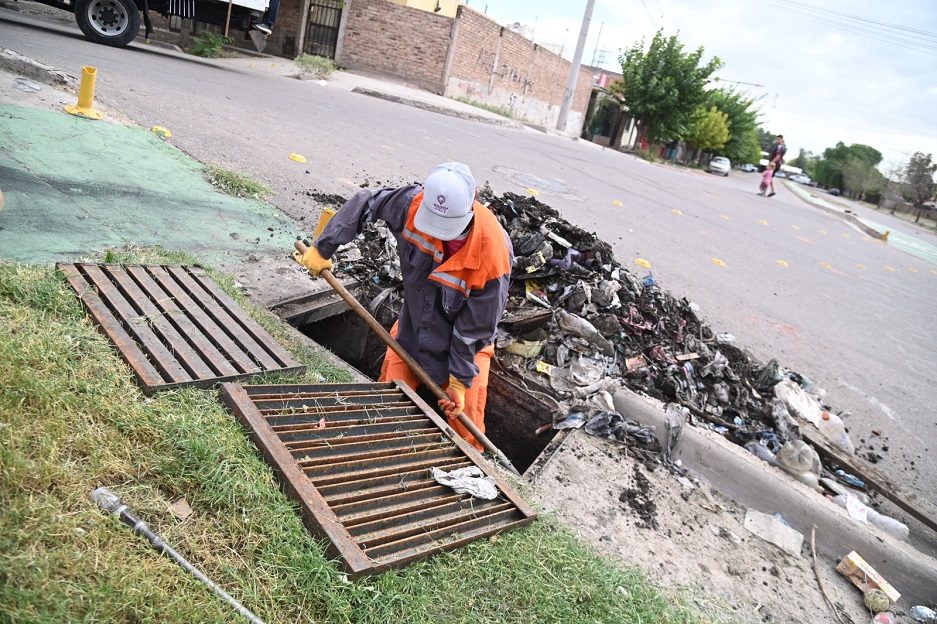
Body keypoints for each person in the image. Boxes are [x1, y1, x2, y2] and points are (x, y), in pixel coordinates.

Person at [293, 163, 514, 451]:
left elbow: (474, 329)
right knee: (386, 400)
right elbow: (367, 202)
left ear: (473, 202)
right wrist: (323, 247)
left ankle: (474, 463)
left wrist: (458, 381)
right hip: (413, 327)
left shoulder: (492, 253)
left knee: (466, 421)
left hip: (466, 349)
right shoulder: (412, 204)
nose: (440, 235)